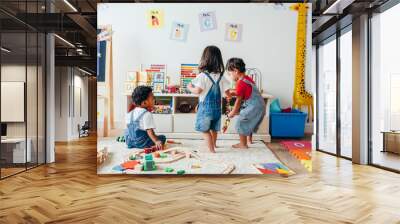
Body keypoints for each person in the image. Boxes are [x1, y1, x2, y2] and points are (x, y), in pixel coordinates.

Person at [187, 46, 231, 153]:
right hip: (217, 109)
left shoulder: (203, 76)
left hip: (205, 109)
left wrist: (189, 87)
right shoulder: (221, 76)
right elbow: (227, 93)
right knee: (214, 129)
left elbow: (198, 91)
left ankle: (211, 150)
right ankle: (214, 145)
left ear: (205, 59)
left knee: (205, 130)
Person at [226, 58, 265, 149]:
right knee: (249, 121)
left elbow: (239, 100)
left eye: (230, 74)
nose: (230, 76)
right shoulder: (247, 79)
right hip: (260, 105)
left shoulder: (240, 83)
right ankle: (249, 140)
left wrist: (233, 112)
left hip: (254, 106)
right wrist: (234, 93)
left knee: (241, 121)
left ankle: (243, 144)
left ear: (235, 71)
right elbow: (245, 92)